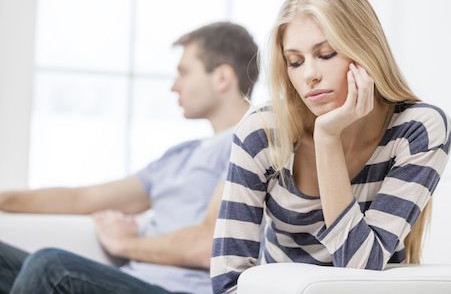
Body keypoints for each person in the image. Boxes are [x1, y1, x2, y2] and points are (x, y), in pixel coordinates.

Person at [210, 0, 451, 294]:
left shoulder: (418, 129)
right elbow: (228, 280)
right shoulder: (263, 131)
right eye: (295, 62)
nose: (309, 74)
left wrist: (327, 138)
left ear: (365, 51)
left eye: (326, 54)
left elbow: (360, 270)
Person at [0, 21, 259, 294]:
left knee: (52, 267)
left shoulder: (250, 145)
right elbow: (84, 198)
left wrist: (125, 245)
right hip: (130, 281)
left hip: (178, 290)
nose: (174, 86)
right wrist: (5, 199)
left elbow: (208, 244)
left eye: (183, 72)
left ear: (222, 77)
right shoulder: (180, 155)